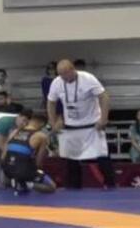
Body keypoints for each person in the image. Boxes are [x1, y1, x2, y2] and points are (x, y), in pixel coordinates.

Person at [46, 59, 116, 189]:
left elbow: (104, 97)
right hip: (71, 126)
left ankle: (110, 185)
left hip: (92, 125)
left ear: (72, 69)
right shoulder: (57, 82)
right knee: (71, 160)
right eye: (60, 74)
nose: (63, 77)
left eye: (65, 74)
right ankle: (74, 188)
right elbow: (51, 102)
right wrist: (53, 121)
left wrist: (103, 119)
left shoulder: (88, 78)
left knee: (102, 156)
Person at [2, 112, 56, 195]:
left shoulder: (15, 131)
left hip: (7, 170)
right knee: (51, 187)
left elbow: (3, 155)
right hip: (23, 170)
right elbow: (39, 162)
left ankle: (17, 181)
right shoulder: (41, 136)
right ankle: (26, 184)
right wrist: (35, 171)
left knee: (22, 169)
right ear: (42, 124)